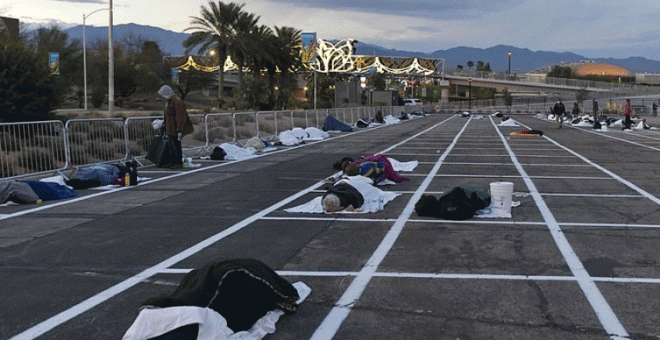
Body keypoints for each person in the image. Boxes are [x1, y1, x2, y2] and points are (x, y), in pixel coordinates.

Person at [157, 85, 194, 168]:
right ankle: (173, 161)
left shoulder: (176, 101)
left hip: (175, 128)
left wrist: (179, 129)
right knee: (171, 146)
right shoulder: (170, 101)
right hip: (170, 128)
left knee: (175, 146)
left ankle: (178, 162)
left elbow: (180, 116)